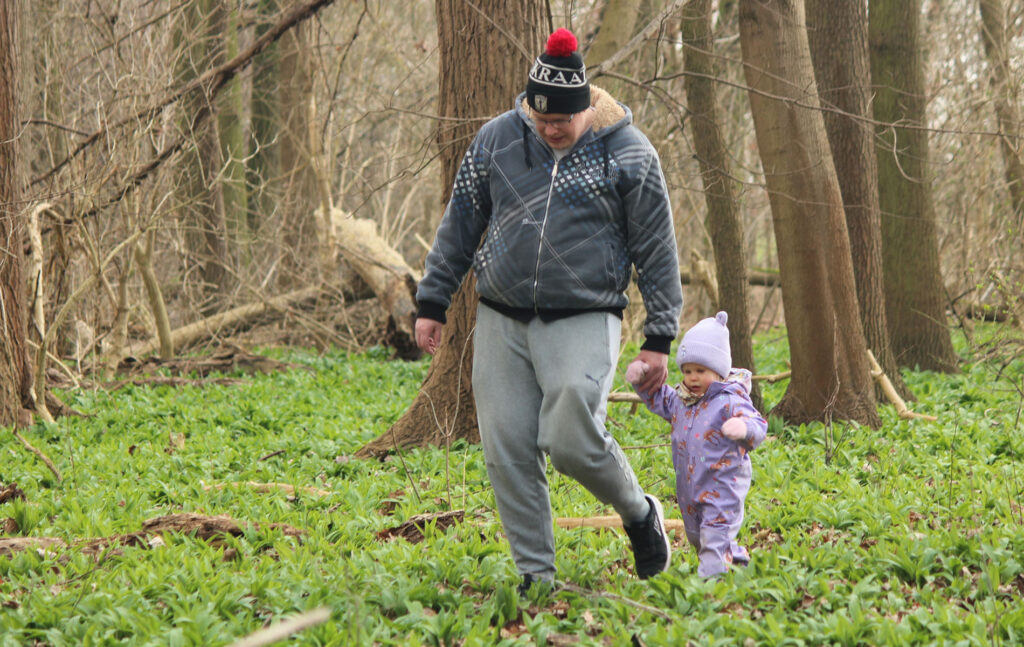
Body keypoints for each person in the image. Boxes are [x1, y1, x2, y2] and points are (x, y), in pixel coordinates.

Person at [414, 28, 683, 591]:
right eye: (539, 118)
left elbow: (657, 247)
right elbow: (460, 221)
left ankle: (639, 512)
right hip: (502, 316)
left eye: (559, 119)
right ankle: (536, 576)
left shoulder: (629, 153)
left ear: (585, 105)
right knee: (507, 446)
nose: (549, 128)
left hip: (586, 314)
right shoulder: (497, 140)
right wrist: (433, 299)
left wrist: (660, 334)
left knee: (570, 438)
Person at [625, 311, 767, 578]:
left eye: (700, 371)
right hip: (690, 486)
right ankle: (734, 560)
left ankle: (710, 591)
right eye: (687, 371)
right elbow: (658, 397)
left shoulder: (729, 400)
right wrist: (642, 379)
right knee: (700, 539)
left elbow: (757, 423)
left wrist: (743, 427)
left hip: (723, 486)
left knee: (714, 536)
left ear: (718, 370)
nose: (692, 377)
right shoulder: (681, 400)